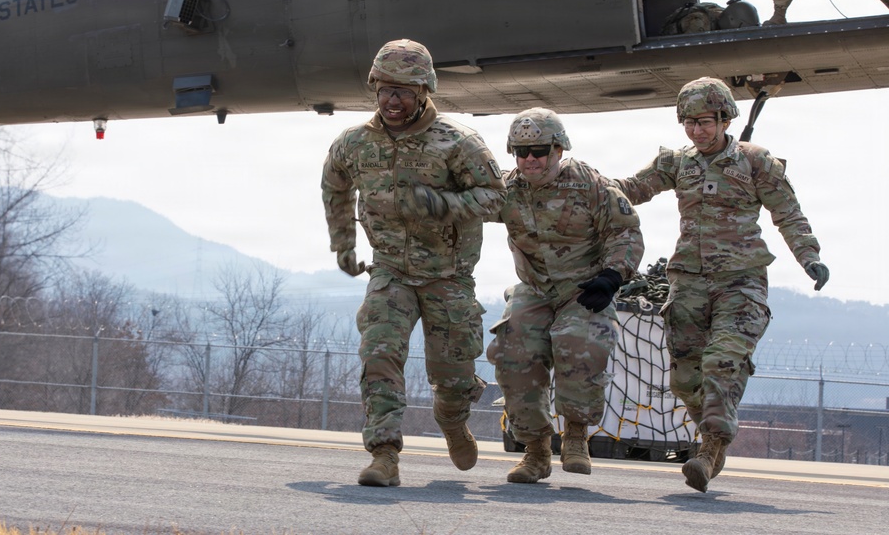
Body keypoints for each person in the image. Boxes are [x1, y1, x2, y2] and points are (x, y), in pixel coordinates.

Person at [612, 77, 830, 492]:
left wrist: (809, 256)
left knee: (722, 359)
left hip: (741, 280)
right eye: (690, 123)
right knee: (684, 378)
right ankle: (712, 436)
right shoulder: (677, 163)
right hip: (688, 280)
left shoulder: (755, 161)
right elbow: (630, 188)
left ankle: (710, 448)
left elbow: (788, 212)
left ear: (725, 118)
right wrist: (580, 184)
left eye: (706, 122)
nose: (698, 131)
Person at [320, 38, 506, 487]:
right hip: (390, 272)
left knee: (454, 374)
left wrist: (439, 204)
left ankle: (453, 417)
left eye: (403, 91)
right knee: (379, 355)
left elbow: (498, 198)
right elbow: (335, 186)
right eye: (384, 90)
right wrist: (343, 245)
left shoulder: (458, 142)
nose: (392, 100)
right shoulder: (355, 143)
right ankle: (384, 455)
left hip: (449, 276)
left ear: (424, 90)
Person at [485, 108, 644, 483]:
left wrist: (612, 275)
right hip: (535, 288)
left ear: (558, 149)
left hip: (584, 288)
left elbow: (626, 232)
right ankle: (536, 449)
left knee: (579, 343)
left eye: (538, 151)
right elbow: (463, 209)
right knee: (512, 349)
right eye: (520, 152)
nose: (529, 160)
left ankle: (575, 433)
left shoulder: (590, 185)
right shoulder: (508, 190)